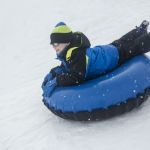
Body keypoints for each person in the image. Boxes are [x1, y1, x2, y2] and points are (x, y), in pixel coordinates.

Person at [42, 20, 150, 97]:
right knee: (121, 42)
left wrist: (57, 80)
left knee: (134, 47)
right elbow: (67, 66)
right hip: (105, 52)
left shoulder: (76, 54)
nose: (54, 46)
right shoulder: (69, 51)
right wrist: (53, 72)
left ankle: (144, 37)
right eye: (52, 44)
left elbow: (77, 77)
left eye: (56, 43)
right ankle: (139, 31)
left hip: (113, 57)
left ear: (66, 42)